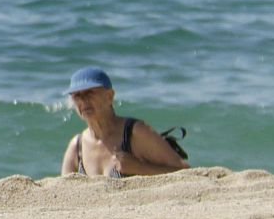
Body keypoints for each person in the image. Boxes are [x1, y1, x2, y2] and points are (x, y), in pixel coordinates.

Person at [60, 67, 188, 178]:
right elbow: (64, 189)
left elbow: (186, 172)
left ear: (109, 96)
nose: (83, 101)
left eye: (90, 93)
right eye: (77, 96)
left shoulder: (134, 132)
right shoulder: (77, 147)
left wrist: (139, 168)